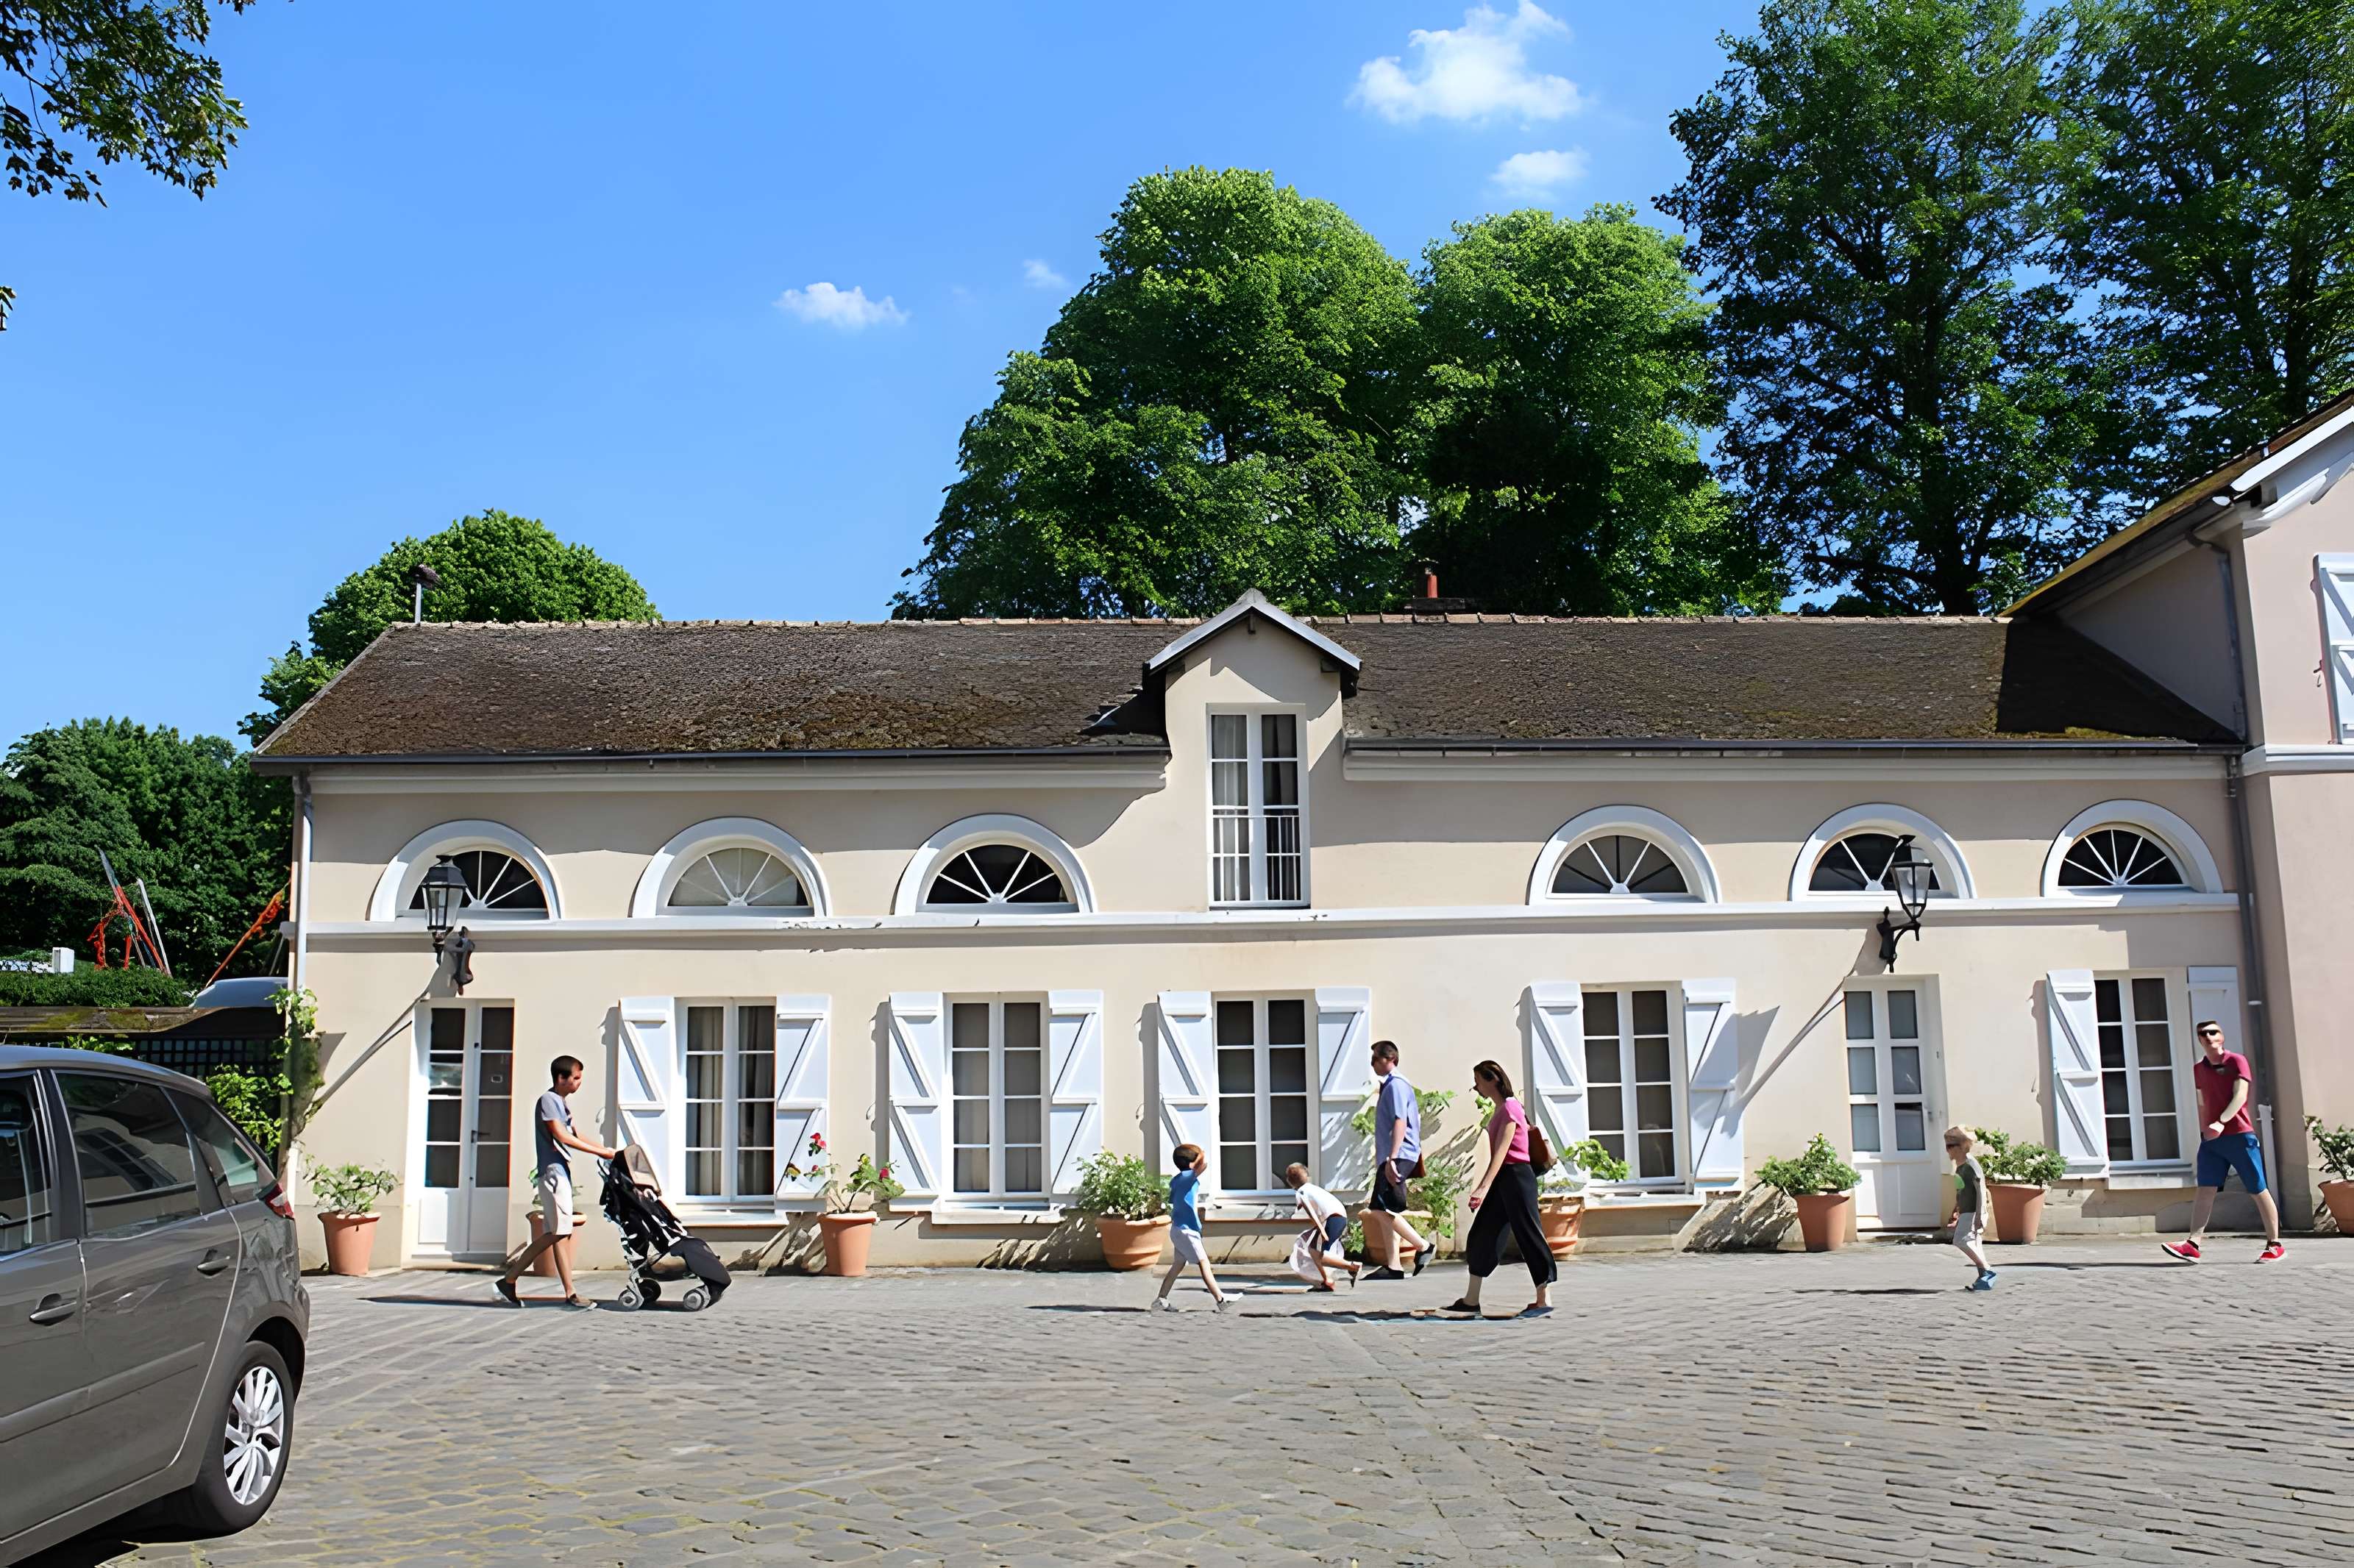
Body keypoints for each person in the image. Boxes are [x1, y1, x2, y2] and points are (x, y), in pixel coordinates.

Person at [497, 1055, 619, 1307]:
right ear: (561, 1078)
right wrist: (600, 1152)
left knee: (558, 1233)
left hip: (560, 1171)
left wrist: (609, 1151)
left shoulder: (562, 1104)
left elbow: (577, 1134)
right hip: (553, 1174)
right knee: (558, 1232)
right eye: (576, 1078)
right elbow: (561, 1136)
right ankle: (512, 1278)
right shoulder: (548, 1101)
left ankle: (568, 1293)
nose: (579, 1082)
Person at [2161, 1021, 2286, 1264]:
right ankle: (2192, 1245)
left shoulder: (2236, 1061)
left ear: (2222, 1036)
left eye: (2213, 1032)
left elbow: (2241, 1095)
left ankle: (2275, 1244)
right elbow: (2201, 1102)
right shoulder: (2199, 1069)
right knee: (2205, 1190)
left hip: (2240, 1136)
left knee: (2258, 1189)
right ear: (2200, 1040)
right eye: (2203, 1034)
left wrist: (2221, 1121)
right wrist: (2204, 1129)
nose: (2208, 1036)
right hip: (2212, 1142)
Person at [1444, 1061, 1555, 1318]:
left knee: (1529, 1234)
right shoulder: (1501, 1109)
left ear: (1492, 1079)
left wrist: (1483, 1188)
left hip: (1517, 1177)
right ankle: (1472, 1300)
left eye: (1478, 1081)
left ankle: (1543, 1298)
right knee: (1483, 1234)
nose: (1476, 1087)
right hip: (1506, 1178)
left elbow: (1503, 1152)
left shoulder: (1510, 1108)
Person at [1362, 1039, 1427, 1280]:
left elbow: (1401, 1121)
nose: (1372, 1064)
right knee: (1386, 1209)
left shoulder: (1397, 1086)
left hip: (1398, 1155)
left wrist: (1392, 1158)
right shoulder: (1390, 1086)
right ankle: (1394, 1266)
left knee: (1378, 1210)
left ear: (1391, 1060)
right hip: (1394, 1155)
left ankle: (1422, 1246)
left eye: (1375, 1059)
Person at [1152, 1143, 1235, 1313]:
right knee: (1203, 1262)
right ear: (1191, 1164)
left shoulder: (1177, 1180)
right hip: (1187, 1231)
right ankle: (1220, 1299)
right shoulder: (1187, 1177)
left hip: (1178, 1229)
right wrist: (1200, 1153)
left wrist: (1195, 1156)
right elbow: (1202, 1163)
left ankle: (1161, 1299)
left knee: (1178, 1265)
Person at [1283, 1162, 1360, 1291]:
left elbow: (1311, 1213)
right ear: (1307, 1175)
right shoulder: (1313, 1188)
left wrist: (1322, 1231)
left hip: (1332, 1219)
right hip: (1338, 1217)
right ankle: (1328, 1280)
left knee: (1324, 1256)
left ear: (1290, 1181)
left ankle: (1353, 1266)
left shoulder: (1301, 1192)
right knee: (1313, 1249)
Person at [1945, 1127, 1996, 1291]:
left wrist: (1980, 1215)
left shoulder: (1971, 1165)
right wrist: (1956, 1209)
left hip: (1974, 1212)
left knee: (1960, 1240)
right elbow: (1961, 1190)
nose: (1947, 1151)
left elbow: (1980, 1190)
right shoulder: (1960, 1167)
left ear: (1961, 1147)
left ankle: (1987, 1271)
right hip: (1966, 1211)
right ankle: (1984, 1279)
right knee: (1975, 1244)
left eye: (1949, 1146)